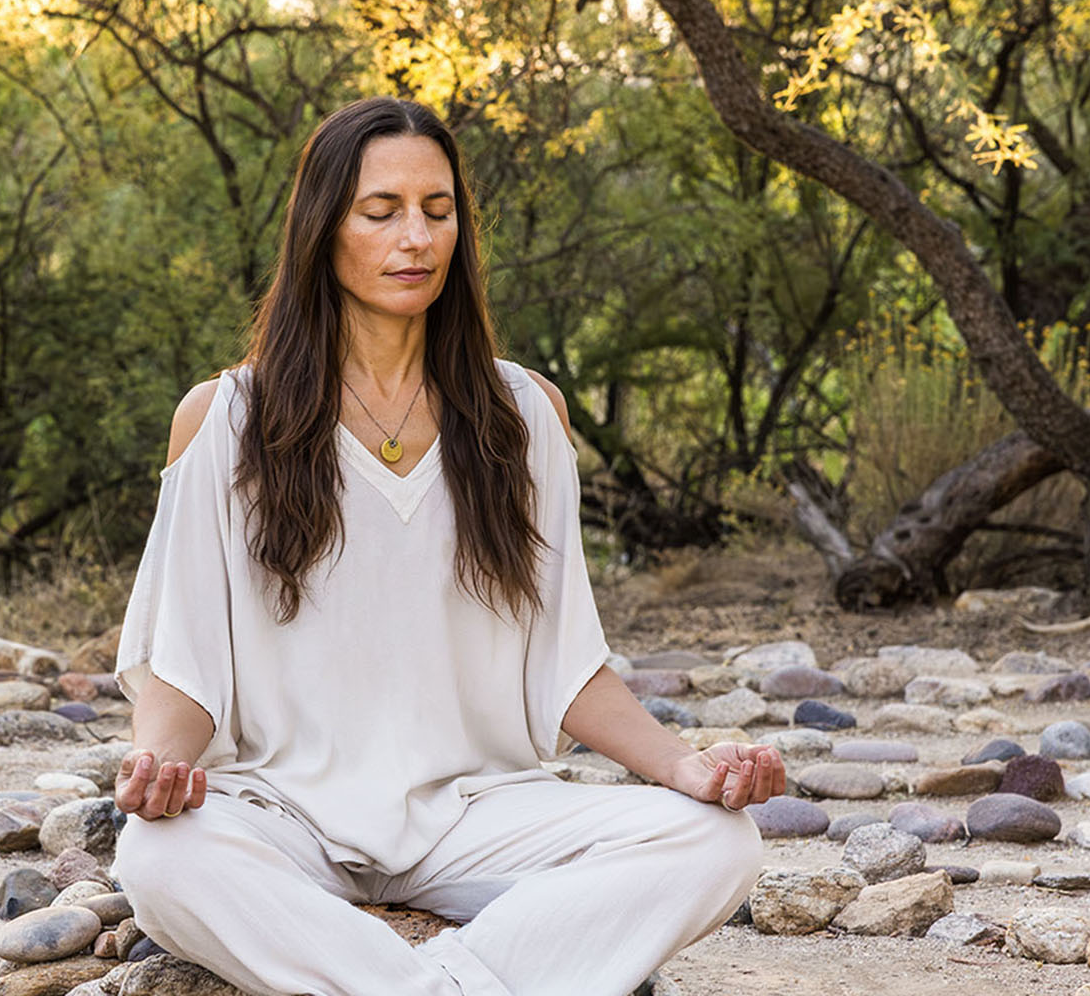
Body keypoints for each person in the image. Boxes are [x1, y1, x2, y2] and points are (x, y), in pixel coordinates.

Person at [109, 96, 783, 996]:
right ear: (324, 228)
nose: (415, 238)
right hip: (283, 812)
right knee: (160, 861)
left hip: (478, 813)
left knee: (717, 841)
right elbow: (186, 671)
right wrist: (160, 769)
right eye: (380, 212)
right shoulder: (225, 420)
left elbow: (565, 663)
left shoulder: (524, 418)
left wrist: (682, 767)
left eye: (438, 210)